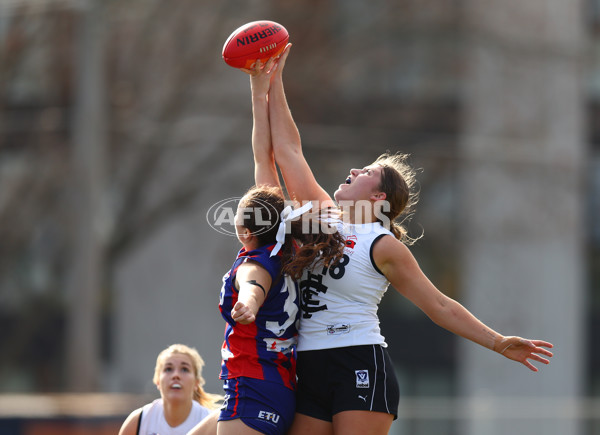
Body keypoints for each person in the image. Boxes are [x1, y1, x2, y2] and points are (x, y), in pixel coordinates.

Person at [245, 44, 555, 435]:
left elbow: (440, 305)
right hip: (306, 362)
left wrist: (497, 342)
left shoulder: (382, 245)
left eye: (368, 171)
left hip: (358, 360)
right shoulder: (321, 218)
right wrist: (269, 80)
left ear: (378, 198)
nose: (355, 169)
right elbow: (286, 150)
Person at [188, 62, 346, 435]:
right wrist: (261, 87)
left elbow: (253, 280)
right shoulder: (287, 244)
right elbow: (266, 156)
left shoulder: (257, 260)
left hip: (253, 386)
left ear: (244, 230)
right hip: (267, 384)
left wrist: (251, 300)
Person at [118, 343, 222, 435]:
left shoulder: (210, 422)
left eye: (185, 369)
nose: (176, 375)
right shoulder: (139, 420)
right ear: (158, 381)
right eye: (168, 369)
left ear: (196, 383)